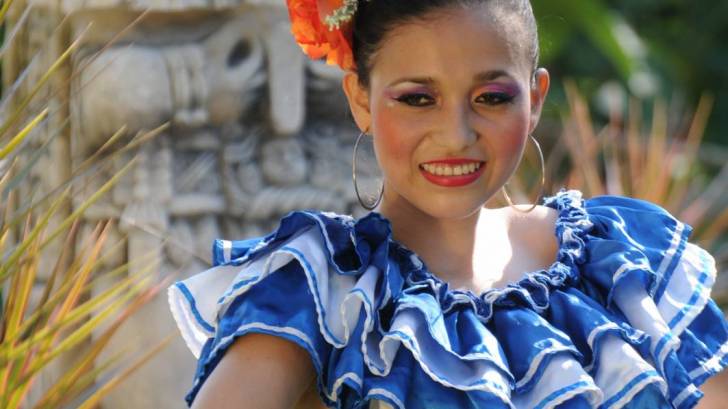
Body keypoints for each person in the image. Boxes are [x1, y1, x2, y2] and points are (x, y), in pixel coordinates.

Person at [167, 0, 728, 408]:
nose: (456, 134)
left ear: (534, 100)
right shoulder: (315, 295)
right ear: (360, 98)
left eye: (490, 98)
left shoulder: (625, 263)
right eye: (417, 99)